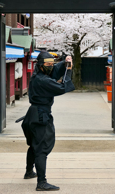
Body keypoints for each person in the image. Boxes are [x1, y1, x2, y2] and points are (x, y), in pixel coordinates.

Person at [22, 50, 75, 191]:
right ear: (40, 65)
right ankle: (41, 182)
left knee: (34, 145)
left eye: (52, 63)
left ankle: (29, 172)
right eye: (48, 64)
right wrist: (68, 70)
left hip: (32, 114)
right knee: (41, 149)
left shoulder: (38, 75)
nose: (51, 66)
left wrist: (64, 62)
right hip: (41, 115)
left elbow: (54, 70)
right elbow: (63, 87)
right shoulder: (42, 80)